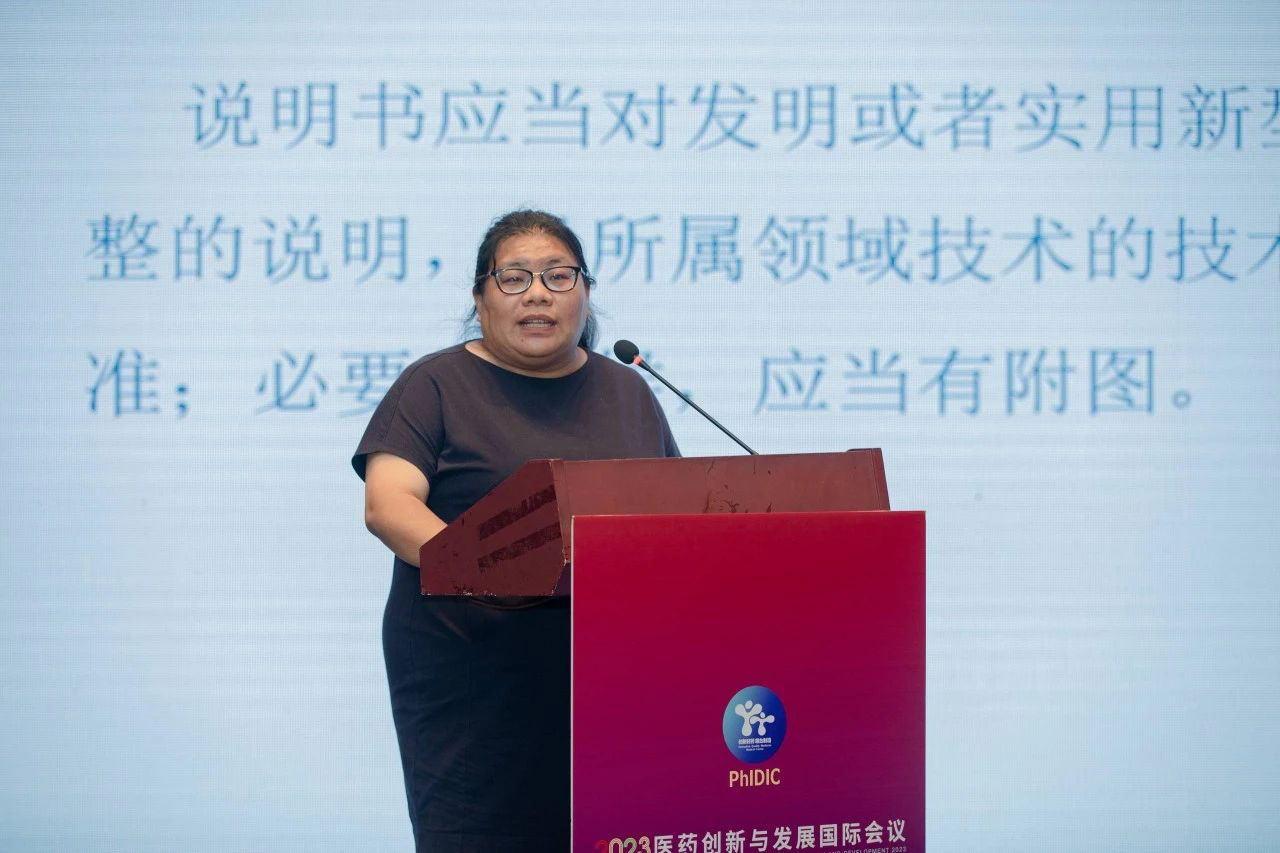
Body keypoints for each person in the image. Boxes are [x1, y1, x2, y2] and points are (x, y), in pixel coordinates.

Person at [352, 209, 680, 851]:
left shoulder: (627, 390)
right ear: (480, 298)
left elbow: (674, 520)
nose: (537, 294)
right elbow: (388, 505)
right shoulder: (435, 384)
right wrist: (496, 573)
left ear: (585, 293)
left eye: (558, 276)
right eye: (514, 277)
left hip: (615, 683)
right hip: (474, 682)